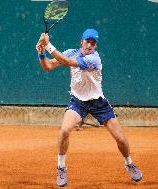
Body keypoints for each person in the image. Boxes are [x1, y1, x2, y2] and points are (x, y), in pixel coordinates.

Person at [36, 29, 142, 187]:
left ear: (95, 45)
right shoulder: (71, 52)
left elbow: (68, 62)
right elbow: (48, 66)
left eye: (93, 43)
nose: (90, 45)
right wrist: (42, 53)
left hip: (99, 103)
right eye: (87, 41)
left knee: (120, 138)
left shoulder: (94, 58)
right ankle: (61, 167)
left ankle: (129, 163)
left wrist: (49, 44)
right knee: (64, 131)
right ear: (81, 41)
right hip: (78, 101)